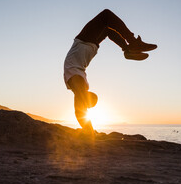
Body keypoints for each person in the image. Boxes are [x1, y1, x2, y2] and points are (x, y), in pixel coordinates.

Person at [64, 9, 157, 138]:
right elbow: (80, 111)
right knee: (107, 24)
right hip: (88, 46)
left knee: (107, 17)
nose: (89, 95)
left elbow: (79, 111)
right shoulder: (81, 86)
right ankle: (130, 47)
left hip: (83, 44)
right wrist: (91, 132)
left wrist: (89, 130)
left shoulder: (76, 82)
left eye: (90, 97)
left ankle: (131, 46)